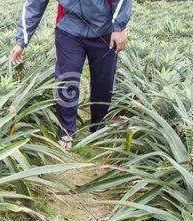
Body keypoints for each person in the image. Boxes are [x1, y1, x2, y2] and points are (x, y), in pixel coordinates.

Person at [10, 0, 132, 150]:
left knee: (103, 82)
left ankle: (97, 126)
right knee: (67, 79)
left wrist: (119, 27)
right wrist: (21, 41)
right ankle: (66, 130)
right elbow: (34, 5)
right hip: (69, 30)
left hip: (105, 31)